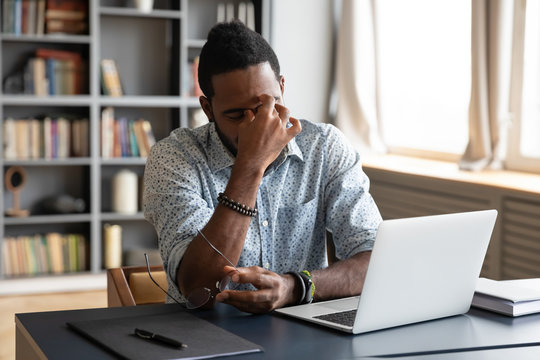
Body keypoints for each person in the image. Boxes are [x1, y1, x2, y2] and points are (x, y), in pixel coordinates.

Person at [143, 21, 382, 314]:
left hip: (302, 332)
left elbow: (376, 260)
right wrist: (251, 164)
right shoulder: (174, 157)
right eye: (236, 114)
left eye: (268, 105)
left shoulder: (324, 146)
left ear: (282, 87)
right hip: (204, 334)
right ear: (208, 109)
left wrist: (297, 287)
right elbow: (198, 287)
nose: (258, 124)